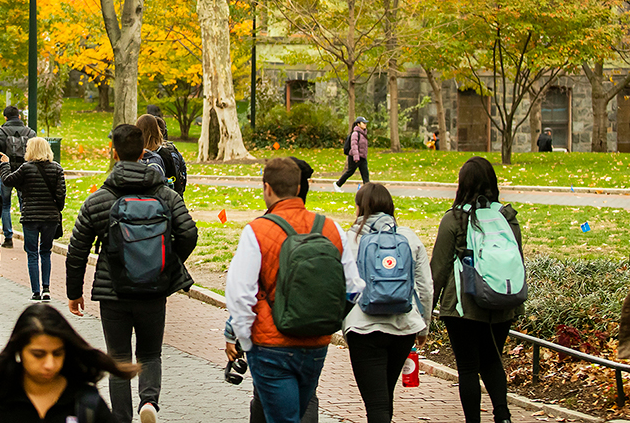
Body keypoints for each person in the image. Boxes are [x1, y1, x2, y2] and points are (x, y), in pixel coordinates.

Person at [66, 124, 198, 423]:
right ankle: (149, 401)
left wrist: (74, 292)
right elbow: (189, 233)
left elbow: (77, 250)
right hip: (154, 289)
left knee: (119, 357)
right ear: (144, 152)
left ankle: (121, 417)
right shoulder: (166, 195)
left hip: (113, 292)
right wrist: (168, 263)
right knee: (150, 353)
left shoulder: (99, 199)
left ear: (114, 152)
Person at [224, 157, 363, 423]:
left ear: (267, 188)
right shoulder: (330, 228)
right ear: (300, 188)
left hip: (269, 345)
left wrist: (245, 337)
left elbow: (240, 293)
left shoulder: (257, 230)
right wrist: (328, 320)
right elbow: (354, 287)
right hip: (316, 344)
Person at [431, 157, 524, 423]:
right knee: (492, 360)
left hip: (464, 307)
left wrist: (424, 312)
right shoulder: (508, 217)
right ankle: (503, 416)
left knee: (469, 368)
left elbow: (437, 271)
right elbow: (517, 258)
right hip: (502, 302)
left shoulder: (454, 219)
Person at [343, 182, 433, 423]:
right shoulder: (409, 238)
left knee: (376, 403)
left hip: (364, 329)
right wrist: (423, 326)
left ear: (359, 208)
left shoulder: (348, 239)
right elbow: (425, 286)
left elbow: (340, 286)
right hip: (403, 327)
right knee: (385, 397)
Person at [0, 303, 135, 423]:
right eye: (38, 355)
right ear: (19, 352)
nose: (49, 364)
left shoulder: (86, 405)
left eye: (57, 353)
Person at [0, 136, 65, 301]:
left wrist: (5, 164)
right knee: (46, 252)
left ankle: (36, 291)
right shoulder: (57, 168)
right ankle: (47, 289)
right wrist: (56, 209)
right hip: (50, 217)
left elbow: (7, 180)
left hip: (30, 217)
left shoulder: (26, 168)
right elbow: (61, 195)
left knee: (32, 253)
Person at [0, 106, 35, 248]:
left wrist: (3, 172)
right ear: (19, 116)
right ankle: (28, 238)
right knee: (25, 205)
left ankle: (8, 238)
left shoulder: (0, 133)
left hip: (7, 172)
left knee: (5, 206)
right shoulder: (30, 133)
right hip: (25, 174)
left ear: (5, 117)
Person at [336, 117, 370, 190]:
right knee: (350, 172)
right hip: (354, 157)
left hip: (362, 157)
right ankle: (338, 184)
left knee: (365, 174)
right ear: (358, 124)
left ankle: (368, 190)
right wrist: (356, 157)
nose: (365, 124)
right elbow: (354, 146)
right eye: (363, 123)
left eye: (365, 123)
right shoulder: (355, 133)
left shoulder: (363, 133)